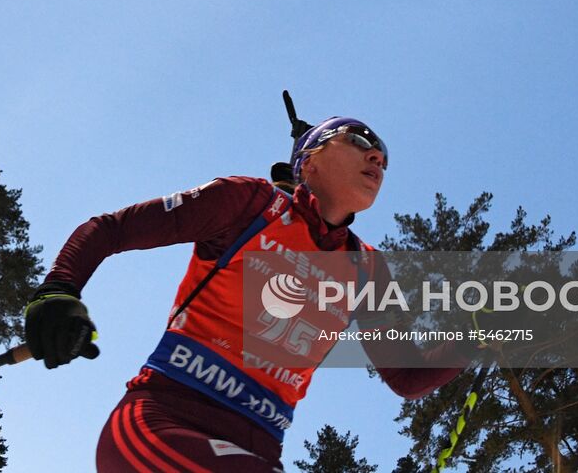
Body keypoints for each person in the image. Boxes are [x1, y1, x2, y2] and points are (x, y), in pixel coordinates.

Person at [25, 101, 465, 472]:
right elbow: (109, 229)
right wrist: (58, 291)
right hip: (163, 423)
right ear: (308, 160)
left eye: (384, 156)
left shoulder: (366, 269)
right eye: (360, 140)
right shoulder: (251, 205)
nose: (377, 157)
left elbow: (406, 376)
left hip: (259, 450)